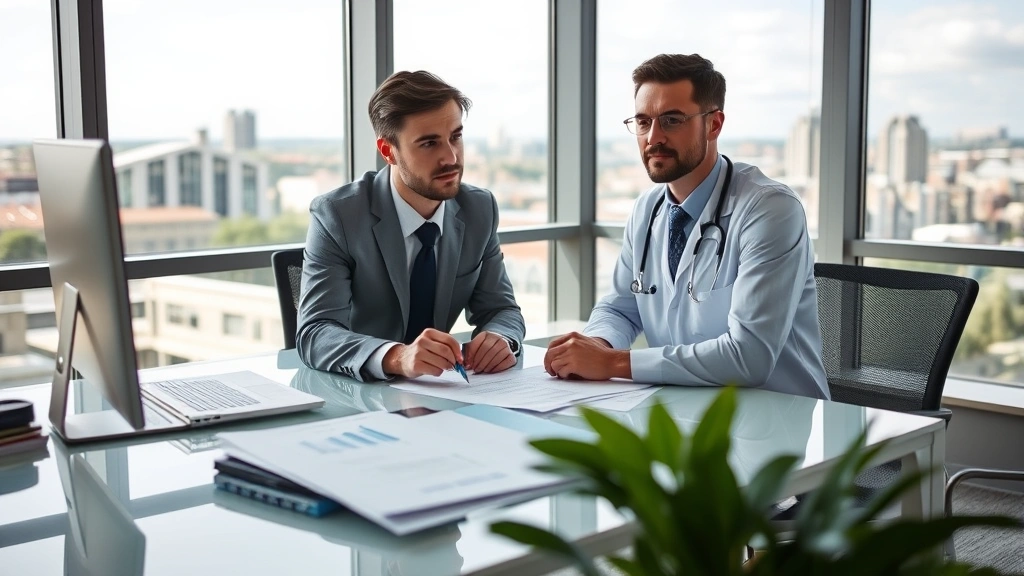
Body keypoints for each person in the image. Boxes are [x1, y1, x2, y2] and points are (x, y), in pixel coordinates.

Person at [543, 54, 829, 400]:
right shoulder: (647, 209)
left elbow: (749, 356)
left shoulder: (770, 210)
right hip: (685, 409)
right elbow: (620, 308)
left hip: (779, 421)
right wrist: (595, 346)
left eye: (672, 120)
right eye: (643, 121)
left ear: (714, 124)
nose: (653, 137)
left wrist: (613, 363)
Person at [297, 70, 525, 382]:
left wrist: (501, 338)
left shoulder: (479, 209)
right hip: (357, 397)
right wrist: (396, 356)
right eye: (429, 143)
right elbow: (316, 332)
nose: (451, 157)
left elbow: (502, 310)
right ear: (388, 151)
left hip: (443, 395)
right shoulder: (338, 216)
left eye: (455, 137)